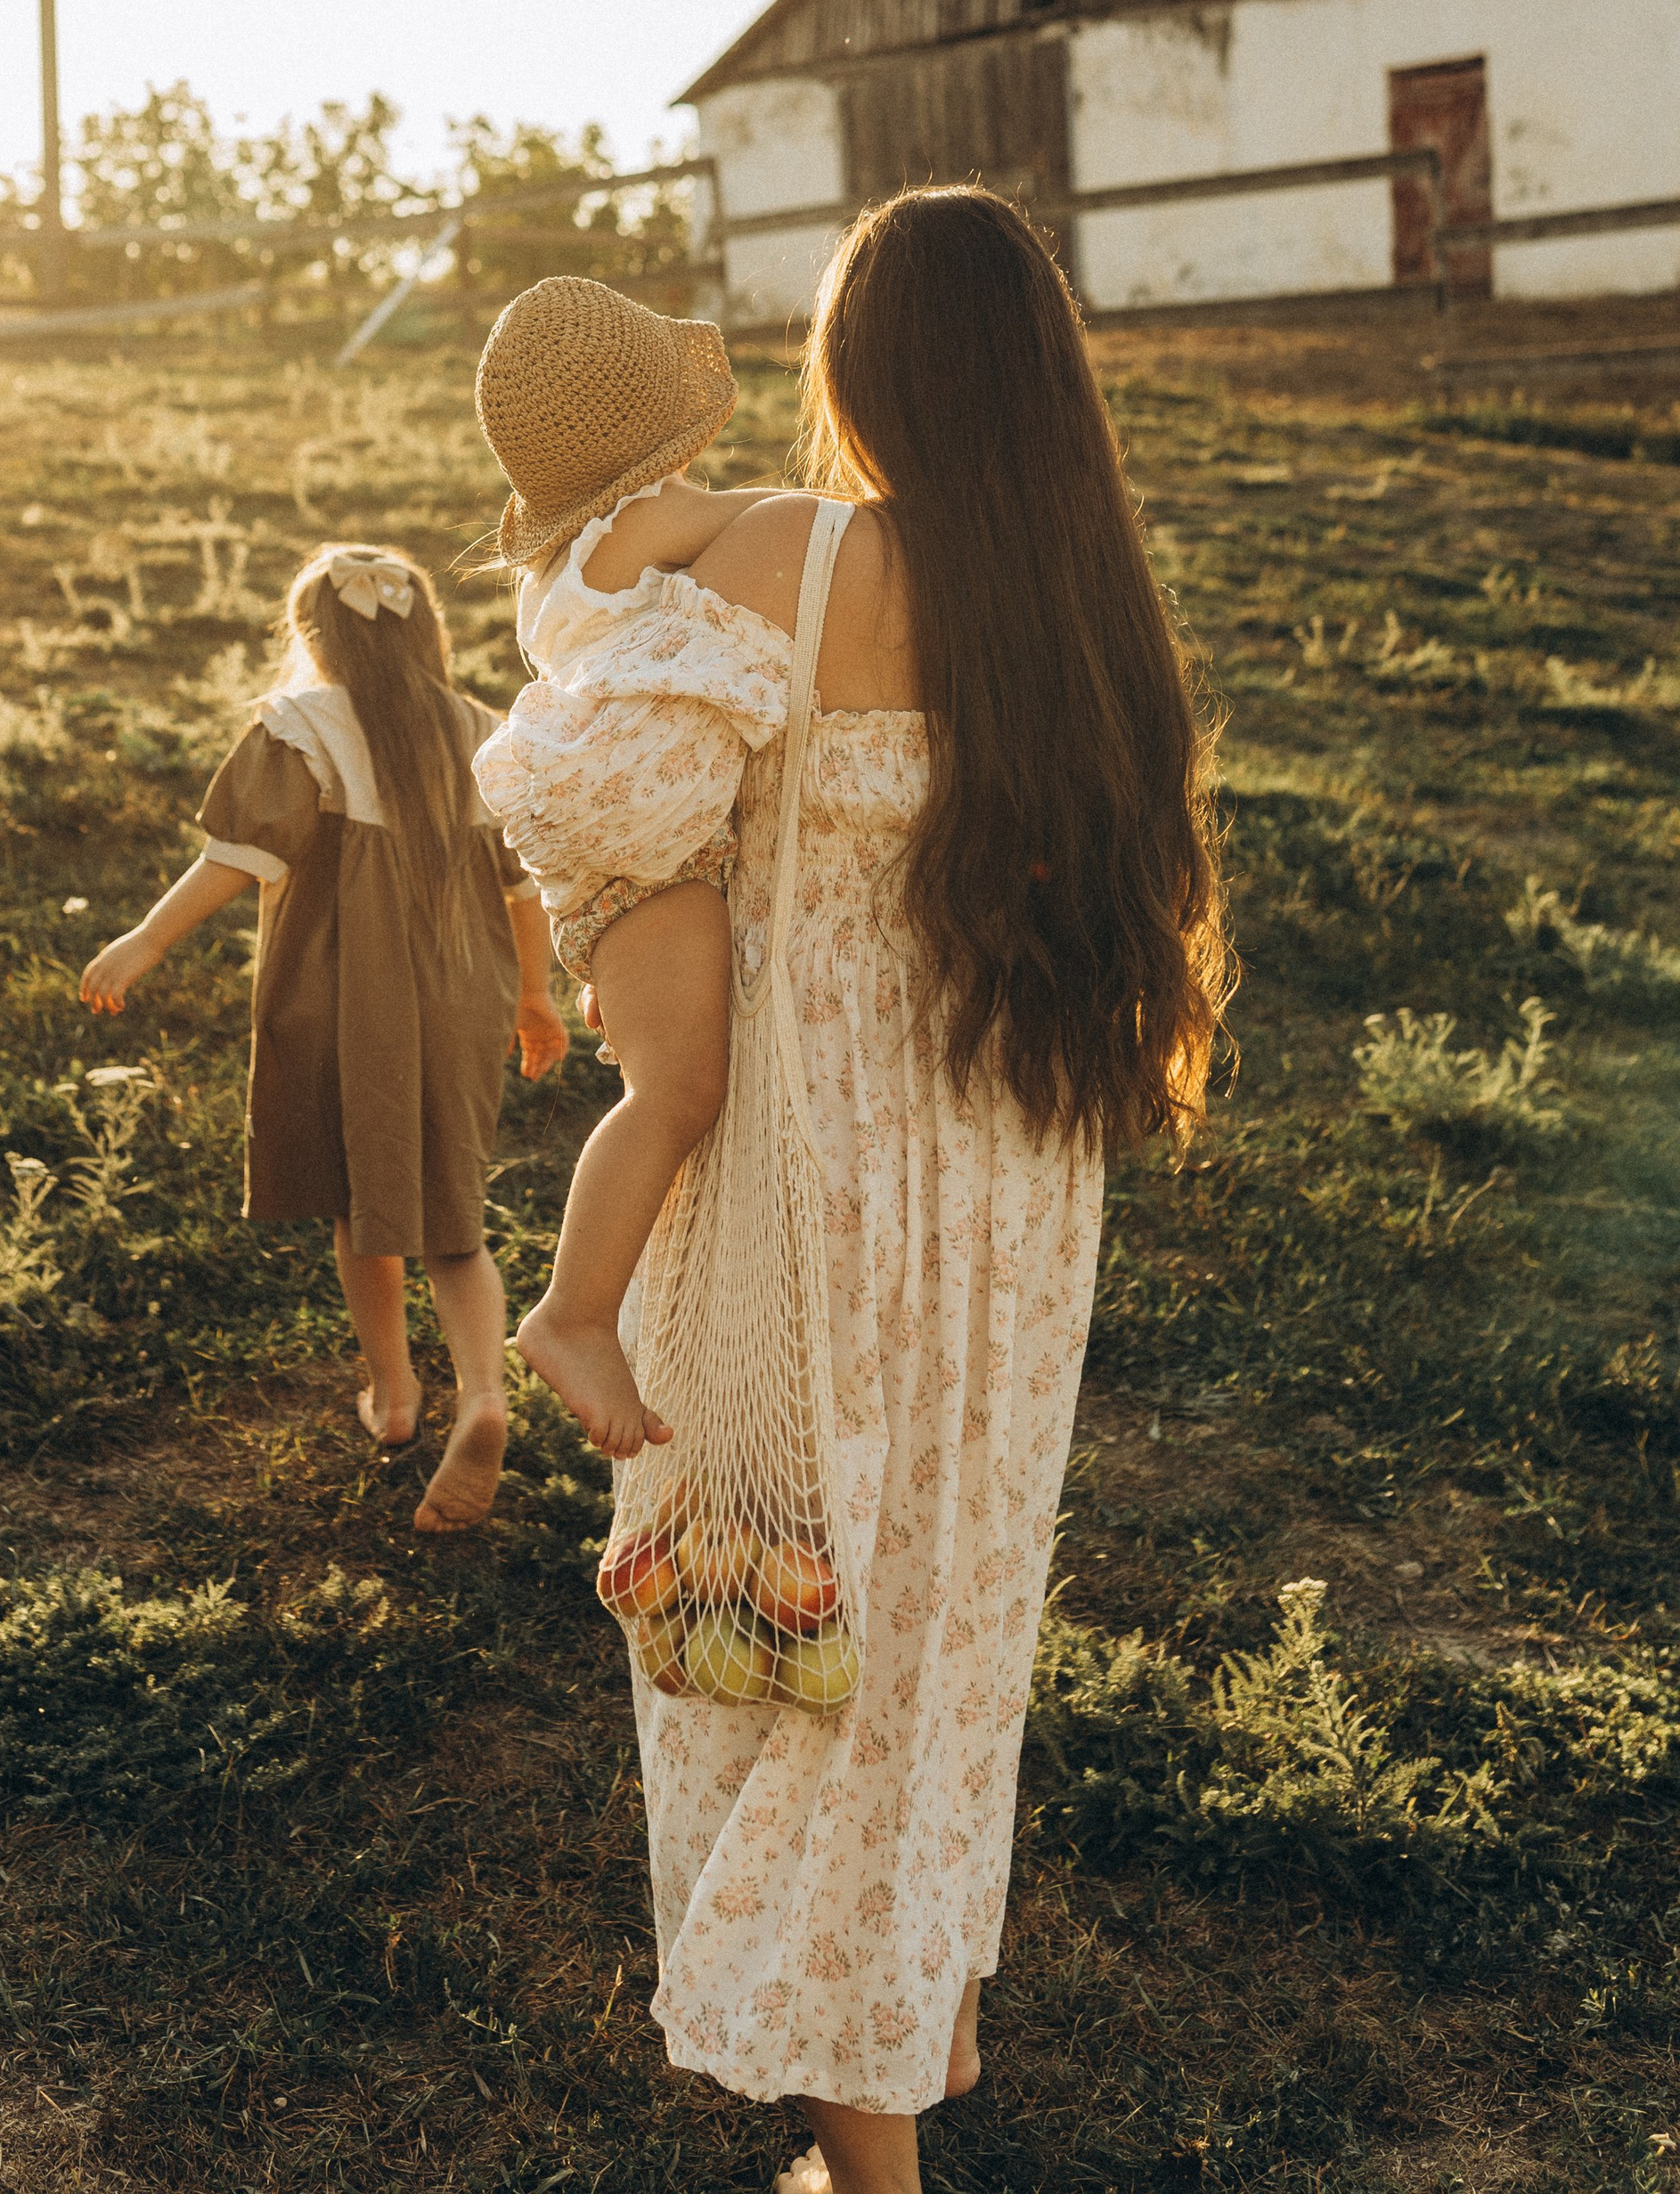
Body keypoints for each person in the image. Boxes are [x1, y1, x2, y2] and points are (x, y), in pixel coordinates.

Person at [475, 192, 1231, 2194]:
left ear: (859, 370)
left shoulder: (785, 559)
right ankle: (919, 2014)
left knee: (799, 1641)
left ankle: (871, 2170)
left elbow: (575, 747)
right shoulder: (1081, 594)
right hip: (1007, 1178)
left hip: (812, 1170)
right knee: (940, 1635)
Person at [78, 541, 567, 1535]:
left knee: (361, 1195)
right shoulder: (481, 730)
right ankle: (483, 1392)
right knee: (451, 1210)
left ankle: (392, 1397)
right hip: (466, 991)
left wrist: (144, 939)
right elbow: (524, 888)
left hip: (354, 996)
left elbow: (237, 856)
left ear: (309, 636)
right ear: (425, 632)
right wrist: (534, 1000)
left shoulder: (302, 727)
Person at [470, 273, 771, 1455]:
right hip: (643, 849)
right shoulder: (644, 523)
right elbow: (782, 524)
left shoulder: (559, 563)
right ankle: (574, 1312)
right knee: (678, 1093)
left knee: (673, 1086)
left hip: (607, 853)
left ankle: (587, 1307)